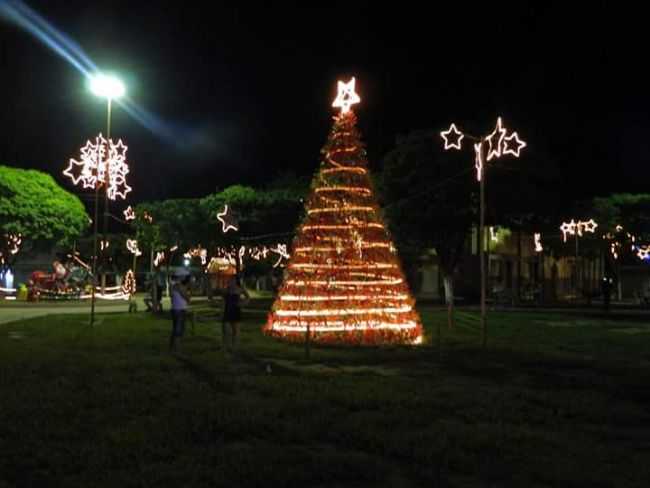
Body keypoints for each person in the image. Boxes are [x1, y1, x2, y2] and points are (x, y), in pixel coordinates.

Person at [221, 274, 249, 353]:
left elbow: (248, 297)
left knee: (235, 331)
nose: (231, 281)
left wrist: (243, 304)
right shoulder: (227, 289)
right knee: (226, 331)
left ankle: (234, 348)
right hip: (227, 311)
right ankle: (226, 347)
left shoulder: (239, 289)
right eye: (230, 279)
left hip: (236, 311)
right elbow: (223, 301)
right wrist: (222, 311)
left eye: (233, 280)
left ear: (236, 281)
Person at [169, 275, 191, 353]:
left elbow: (171, 296)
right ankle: (177, 348)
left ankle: (173, 347)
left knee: (176, 329)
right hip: (180, 310)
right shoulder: (179, 286)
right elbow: (186, 297)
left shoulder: (174, 285)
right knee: (179, 329)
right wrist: (188, 297)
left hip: (176, 309)